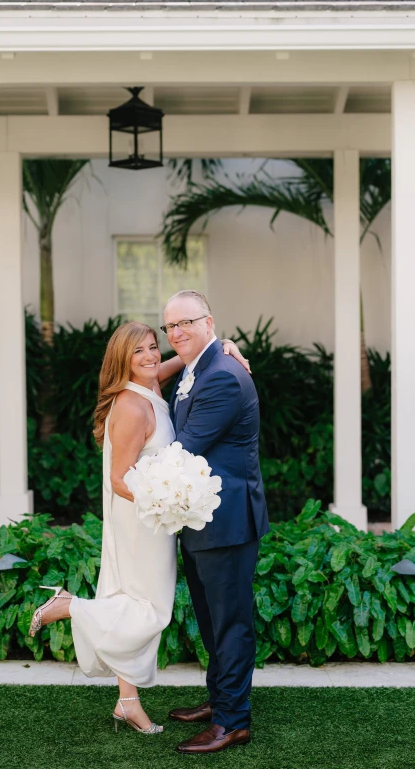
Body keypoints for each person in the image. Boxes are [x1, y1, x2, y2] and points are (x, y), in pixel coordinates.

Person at [27, 319, 250, 734]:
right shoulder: (131, 405)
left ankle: (127, 701)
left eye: (152, 346)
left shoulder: (149, 381)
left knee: (132, 599)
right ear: (122, 361)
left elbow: (187, 359)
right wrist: (167, 503)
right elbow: (118, 478)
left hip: (152, 517)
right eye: (139, 352)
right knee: (149, 611)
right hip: (141, 519)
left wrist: (224, 346)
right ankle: (68, 606)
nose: (151, 357)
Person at [165, 290, 269, 755]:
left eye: (185, 323)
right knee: (211, 619)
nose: (176, 333)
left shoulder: (223, 376)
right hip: (201, 517)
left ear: (209, 322)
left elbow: (182, 448)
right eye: (169, 327)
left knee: (230, 623)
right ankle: (220, 700)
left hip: (225, 520)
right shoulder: (199, 366)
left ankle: (233, 722)